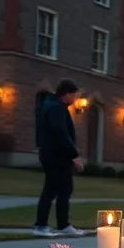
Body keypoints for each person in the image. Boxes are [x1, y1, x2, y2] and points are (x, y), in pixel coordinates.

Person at [33, 79, 85, 237]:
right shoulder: (56, 108)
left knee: (64, 190)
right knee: (51, 190)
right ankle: (40, 226)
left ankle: (63, 225)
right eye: (74, 95)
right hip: (55, 156)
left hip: (56, 155)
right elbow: (59, 132)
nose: (75, 99)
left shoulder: (55, 106)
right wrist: (74, 155)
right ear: (67, 94)